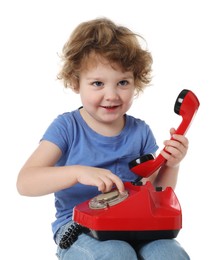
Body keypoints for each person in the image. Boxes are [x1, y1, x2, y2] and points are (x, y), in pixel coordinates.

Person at [16, 17, 190, 260]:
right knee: (115, 254)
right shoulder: (66, 127)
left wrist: (172, 163)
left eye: (122, 83)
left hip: (134, 225)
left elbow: (157, 193)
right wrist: (77, 172)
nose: (112, 95)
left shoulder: (140, 132)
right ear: (76, 82)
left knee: (169, 253)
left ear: (135, 83)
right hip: (78, 227)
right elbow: (25, 182)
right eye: (98, 83)